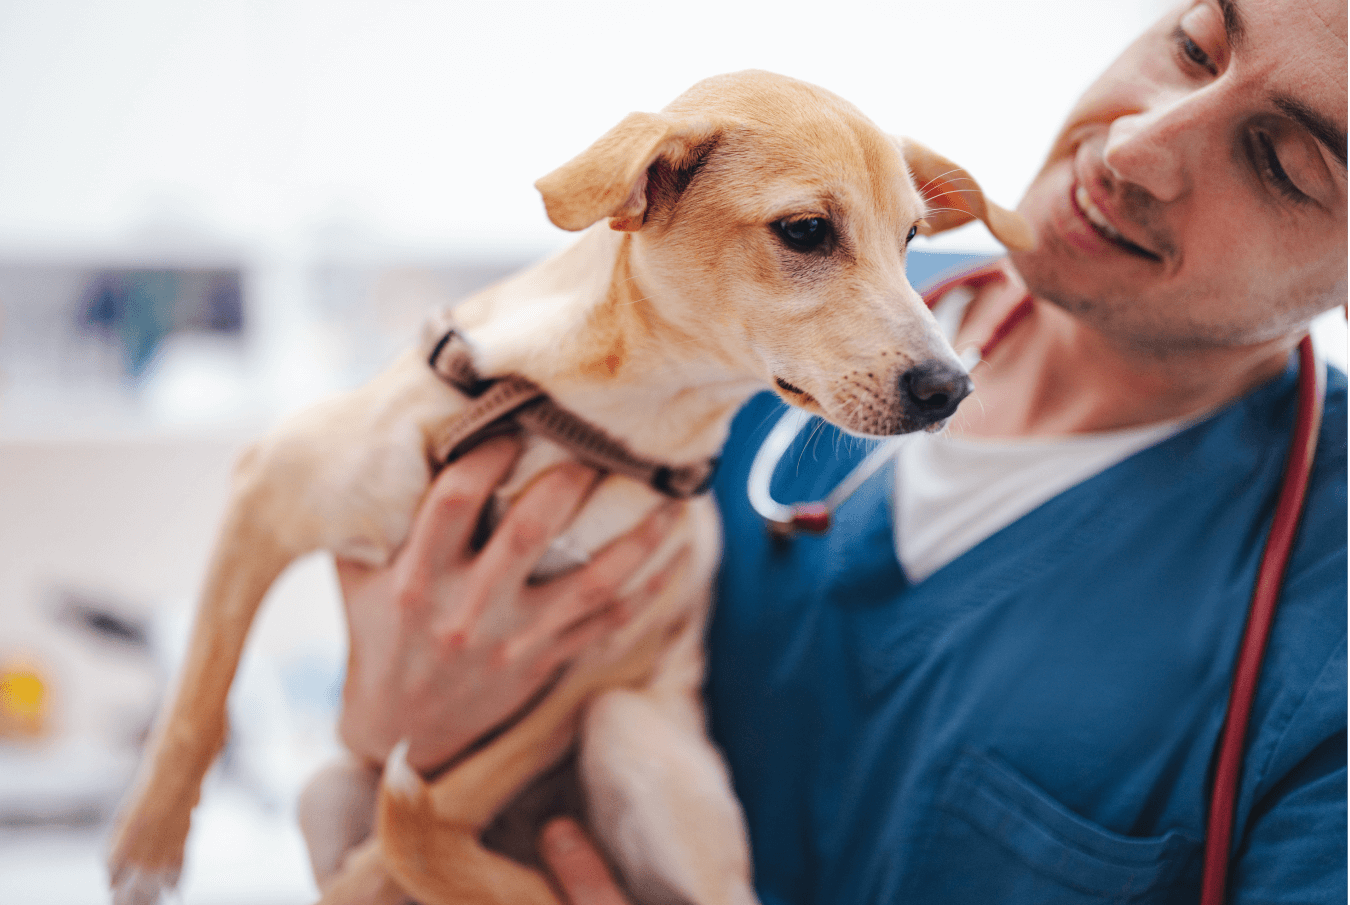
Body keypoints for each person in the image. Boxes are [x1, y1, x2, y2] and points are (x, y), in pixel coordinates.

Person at [334, 0, 1347, 901]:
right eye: (1193, 44)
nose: (1137, 145)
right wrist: (385, 728)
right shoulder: (753, 277)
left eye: (1284, 163)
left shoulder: (1322, 620)